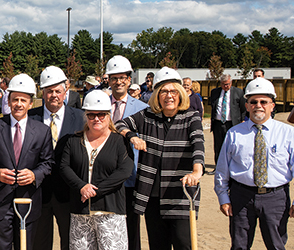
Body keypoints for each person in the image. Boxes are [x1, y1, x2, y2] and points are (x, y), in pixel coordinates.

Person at [214, 78, 294, 250]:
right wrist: (223, 197)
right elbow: (222, 169)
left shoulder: (288, 133)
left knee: (276, 245)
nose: (258, 105)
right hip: (241, 197)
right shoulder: (234, 134)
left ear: (272, 105)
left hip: (276, 198)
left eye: (263, 102)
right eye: (253, 102)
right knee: (239, 246)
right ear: (247, 106)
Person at [116, 67, 204, 250]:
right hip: (153, 194)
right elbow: (118, 124)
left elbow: (198, 144)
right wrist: (132, 136)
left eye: (173, 91)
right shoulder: (148, 117)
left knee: (183, 243)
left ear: (180, 93)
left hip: (179, 193)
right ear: (156, 94)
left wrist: (197, 171)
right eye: (164, 91)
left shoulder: (191, 117)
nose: (169, 96)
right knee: (158, 244)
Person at [0, 73, 53, 250]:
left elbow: (48, 163)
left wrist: (34, 175)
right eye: (14, 99)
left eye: (23, 100)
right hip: (0, 204)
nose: (18, 104)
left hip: (28, 203)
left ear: (30, 103)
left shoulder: (42, 131)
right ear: (8, 101)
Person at [58, 90, 133, 250]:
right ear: (86, 116)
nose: (96, 119)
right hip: (81, 212)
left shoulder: (120, 142)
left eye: (101, 115)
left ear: (109, 115)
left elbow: (124, 170)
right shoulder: (73, 141)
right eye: (91, 115)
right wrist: (81, 186)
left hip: (110, 212)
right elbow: (64, 167)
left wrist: (95, 191)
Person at [30, 66, 86, 250]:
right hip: (38, 193)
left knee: (70, 243)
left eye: (57, 91)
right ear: (43, 92)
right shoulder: (31, 118)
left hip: (69, 194)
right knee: (39, 243)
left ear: (65, 92)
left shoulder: (80, 118)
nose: (54, 95)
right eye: (49, 91)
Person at [104, 54, 149, 250]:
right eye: (114, 78)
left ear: (129, 80)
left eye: (122, 78)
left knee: (131, 227)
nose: (118, 82)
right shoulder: (100, 105)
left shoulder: (143, 109)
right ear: (109, 80)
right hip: (105, 175)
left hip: (131, 177)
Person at [209, 74, 246, 171]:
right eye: (224, 84)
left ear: (231, 82)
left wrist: (242, 120)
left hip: (232, 123)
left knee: (233, 145)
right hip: (218, 123)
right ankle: (218, 167)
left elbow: (243, 108)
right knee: (218, 146)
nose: (226, 86)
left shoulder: (238, 92)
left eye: (228, 84)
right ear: (220, 83)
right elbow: (212, 106)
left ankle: (233, 167)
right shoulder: (215, 92)